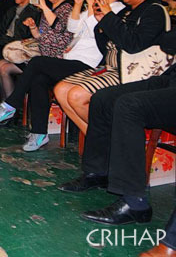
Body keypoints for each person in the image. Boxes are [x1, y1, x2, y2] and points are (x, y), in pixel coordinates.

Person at [58, 28, 176, 226]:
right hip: (171, 79)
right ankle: (98, 172)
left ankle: (135, 203)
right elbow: (168, 42)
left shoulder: (153, 10)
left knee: (129, 105)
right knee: (103, 98)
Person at [53, 0, 167, 134]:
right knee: (61, 90)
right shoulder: (129, 11)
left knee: (76, 96)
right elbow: (105, 47)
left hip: (132, 72)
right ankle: (95, 137)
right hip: (112, 67)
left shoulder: (154, 11)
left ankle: (104, 138)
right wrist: (102, 24)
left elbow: (133, 44)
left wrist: (108, 18)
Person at [0, 0, 79, 151]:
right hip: (45, 58)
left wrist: (43, 8)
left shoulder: (67, 10)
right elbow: (44, 38)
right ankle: (39, 133)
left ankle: (11, 105)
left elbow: (61, 36)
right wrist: (34, 28)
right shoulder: (49, 9)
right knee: (37, 81)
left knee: (35, 64)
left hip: (59, 60)